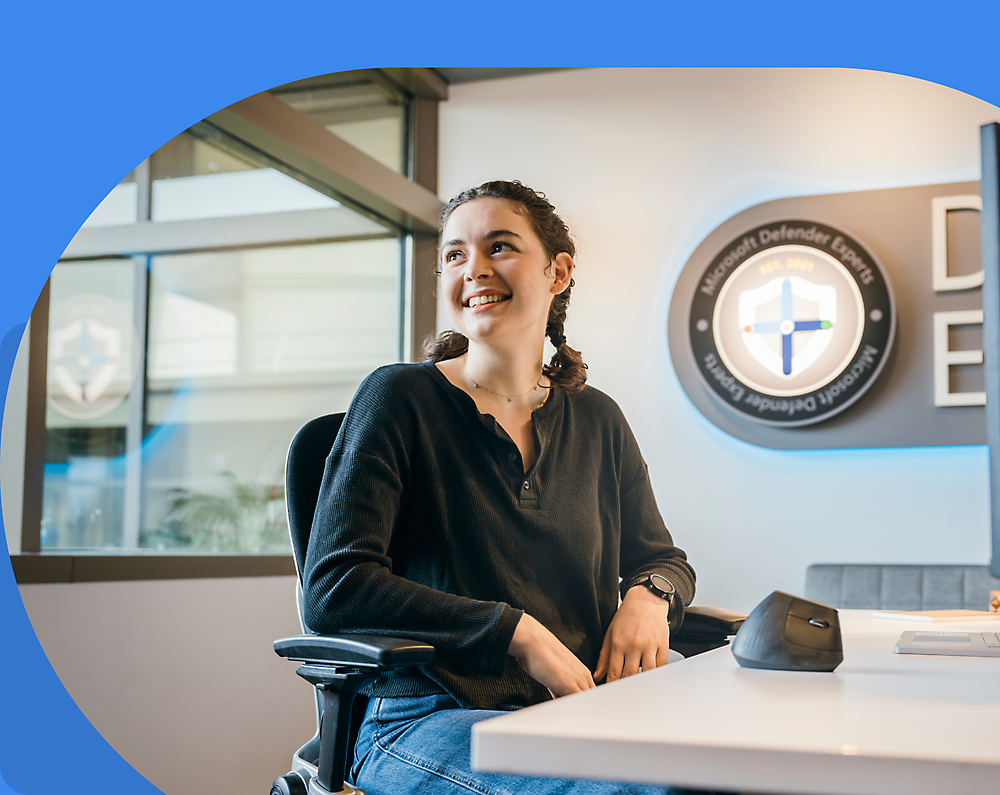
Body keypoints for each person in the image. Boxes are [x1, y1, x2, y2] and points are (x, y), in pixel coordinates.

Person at [303, 180, 699, 795]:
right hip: (426, 716)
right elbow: (336, 588)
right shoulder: (399, 397)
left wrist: (650, 596)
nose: (475, 270)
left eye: (500, 247)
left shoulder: (597, 418)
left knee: (748, 769)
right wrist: (513, 632)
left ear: (558, 272)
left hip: (578, 709)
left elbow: (663, 559)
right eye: (456, 255)